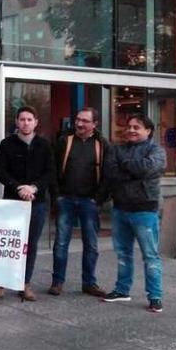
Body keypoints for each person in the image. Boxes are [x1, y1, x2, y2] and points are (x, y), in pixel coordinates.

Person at [102, 113, 166, 313]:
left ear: (148, 131)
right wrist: (133, 170)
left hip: (145, 211)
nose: (131, 130)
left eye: (136, 127)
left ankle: (155, 296)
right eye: (129, 126)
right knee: (123, 253)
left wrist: (126, 166)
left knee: (150, 256)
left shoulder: (157, 150)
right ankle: (122, 290)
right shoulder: (117, 149)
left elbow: (148, 169)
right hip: (120, 209)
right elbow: (110, 173)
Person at [0, 106, 55, 302]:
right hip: (12, 202)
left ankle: (24, 283)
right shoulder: (6, 144)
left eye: (29, 119)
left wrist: (33, 188)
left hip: (37, 202)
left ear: (36, 122)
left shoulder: (44, 145)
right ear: (17, 122)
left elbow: (50, 173)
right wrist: (18, 187)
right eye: (22, 119)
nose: (26, 123)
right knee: (6, 243)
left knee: (31, 245)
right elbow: (0, 171)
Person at [49, 107, 110, 298]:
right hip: (65, 199)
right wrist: (57, 195)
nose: (80, 124)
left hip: (89, 202)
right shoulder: (64, 141)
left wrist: (98, 199)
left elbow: (108, 175)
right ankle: (57, 281)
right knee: (60, 243)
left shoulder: (102, 144)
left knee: (91, 244)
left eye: (84, 121)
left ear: (95, 124)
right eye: (78, 120)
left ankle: (89, 283)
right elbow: (53, 170)